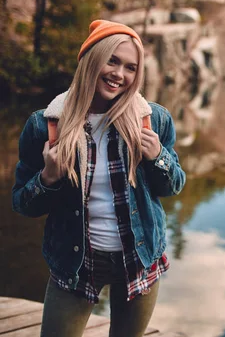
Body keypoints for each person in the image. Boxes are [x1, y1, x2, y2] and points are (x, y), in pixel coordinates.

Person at [12, 20, 186, 337]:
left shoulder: (154, 119)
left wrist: (157, 156)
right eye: (112, 60)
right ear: (91, 59)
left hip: (139, 257)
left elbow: (173, 186)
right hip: (75, 265)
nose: (119, 74)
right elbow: (22, 203)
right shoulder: (45, 125)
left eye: (130, 67)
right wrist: (47, 178)